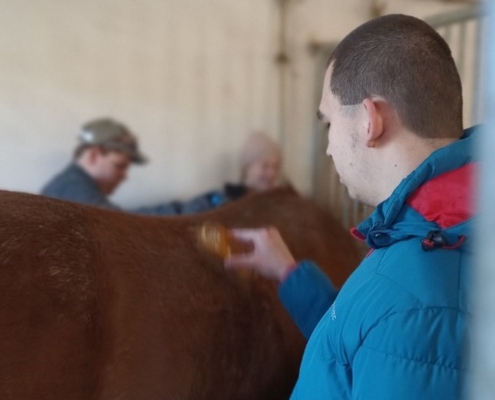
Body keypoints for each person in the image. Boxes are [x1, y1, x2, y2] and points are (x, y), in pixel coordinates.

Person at [225, 14, 478, 399]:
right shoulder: (426, 235)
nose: (327, 147)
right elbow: (363, 343)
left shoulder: (419, 298)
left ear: (368, 119)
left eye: (328, 124)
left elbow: (397, 327)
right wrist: (288, 272)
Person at [41, 118, 179, 215]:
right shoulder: (73, 189)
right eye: (120, 166)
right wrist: (186, 209)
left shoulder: (70, 184)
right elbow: (122, 226)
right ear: (93, 155)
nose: (125, 176)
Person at [178, 131, 282, 213]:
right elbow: (185, 217)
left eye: (275, 167)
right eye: (265, 166)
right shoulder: (221, 199)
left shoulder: (280, 203)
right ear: (247, 167)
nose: (272, 173)